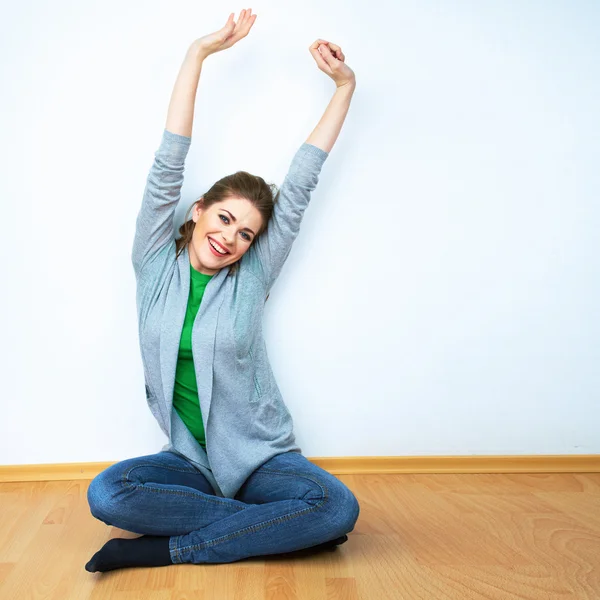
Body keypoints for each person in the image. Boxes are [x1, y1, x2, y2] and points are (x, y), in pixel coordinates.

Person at [85, 9, 359, 572]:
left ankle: (174, 548)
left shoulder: (251, 276)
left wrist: (344, 86)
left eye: (246, 232)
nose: (230, 237)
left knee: (335, 507)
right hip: (190, 463)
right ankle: (276, 527)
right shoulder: (155, 263)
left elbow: (302, 181)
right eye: (225, 218)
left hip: (263, 460)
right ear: (200, 210)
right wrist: (198, 54)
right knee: (108, 494)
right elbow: (168, 160)